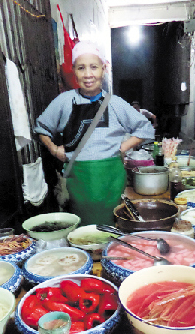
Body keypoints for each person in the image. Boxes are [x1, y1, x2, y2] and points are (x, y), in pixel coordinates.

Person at [34, 41, 154, 226]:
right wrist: (53, 149)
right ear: (74, 70)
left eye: (94, 67)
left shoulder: (115, 103)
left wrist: (123, 147)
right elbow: (41, 128)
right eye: (81, 68)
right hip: (79, 180)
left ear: (103, 69)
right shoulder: (64, 101)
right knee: (81, 231)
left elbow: (145, 128)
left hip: (111, 180)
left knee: (112, 228)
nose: (88, 74)